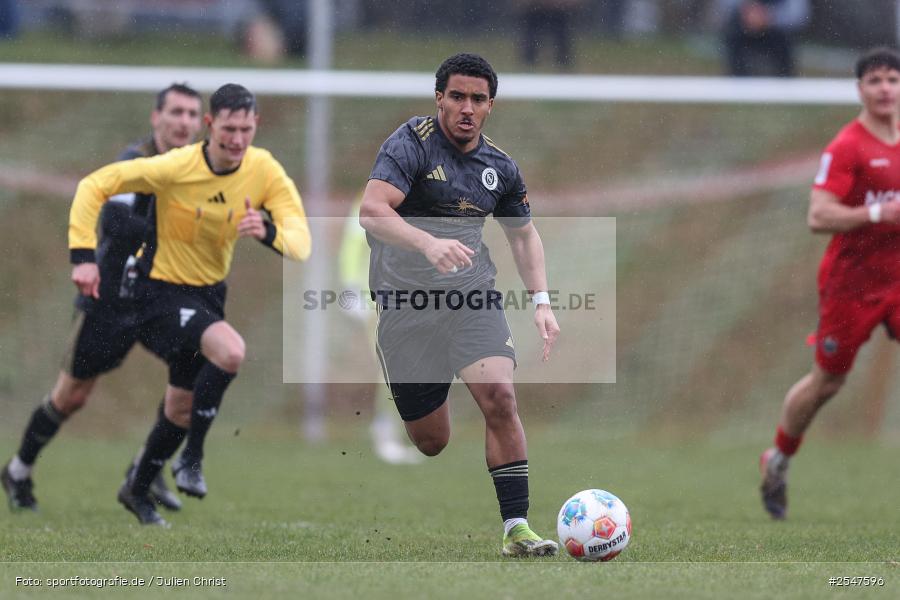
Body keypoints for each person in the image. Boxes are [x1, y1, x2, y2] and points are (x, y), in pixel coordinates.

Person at [67, 83, 311, 526]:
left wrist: (269, 232)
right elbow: (94, 185)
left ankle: (137, 489)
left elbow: (301, 241)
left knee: (180, 407)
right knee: (231, 351)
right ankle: (192, 459)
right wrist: (83, 257)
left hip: (208, 294)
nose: (237, 140)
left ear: (256, 125)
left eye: (246, 129)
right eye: (228, 129)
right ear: (209, 124)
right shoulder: (176, 166)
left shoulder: (263, 169)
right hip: (156, 291)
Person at [359, 53, 560, 557]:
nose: (466, 108)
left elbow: (523, 236)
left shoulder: (499, 167)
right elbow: (371, 211)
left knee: (501, 398)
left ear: (491, 105)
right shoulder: (410, 144)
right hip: (406, 307)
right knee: (431, 441)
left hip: (472, 297)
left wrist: (542, 301)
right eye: (457, 97)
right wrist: (427, 242)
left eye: (477, 99)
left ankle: (517, 528)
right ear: (439, 99)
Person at [1, 84, 204, 513]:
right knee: (71, 396)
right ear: (157, 118)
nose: (184, 121)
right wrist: (169, 232)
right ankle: (18, 470)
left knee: (201, 370)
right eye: (176, 112)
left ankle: (144, 471)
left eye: (191, 114)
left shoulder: (201, 169)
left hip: (161, 300)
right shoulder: (133, 163)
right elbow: (113, 218)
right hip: (112, 300)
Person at [759, 48, 900, 520]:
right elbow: (818, 214)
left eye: (893, 80)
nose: (885, 89)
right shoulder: (848, 146)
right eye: (875, 80)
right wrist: (877, 213)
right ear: (860, 89)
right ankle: (778, 459)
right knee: (828, 382)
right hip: (852, 283)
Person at [339, 198, 423, 465]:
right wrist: (350, 287)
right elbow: (352, 248)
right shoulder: (367, 202)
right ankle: (386, 433)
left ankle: (396, 431)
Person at [721, 0, 810, 77]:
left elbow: (798, 15)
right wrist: (747, 11)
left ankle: (786, 83)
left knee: (785, 41)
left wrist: (768, 16)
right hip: (743, 27)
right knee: (733, 35)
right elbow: (724, 6)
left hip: (777, 31)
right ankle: (737, 82)